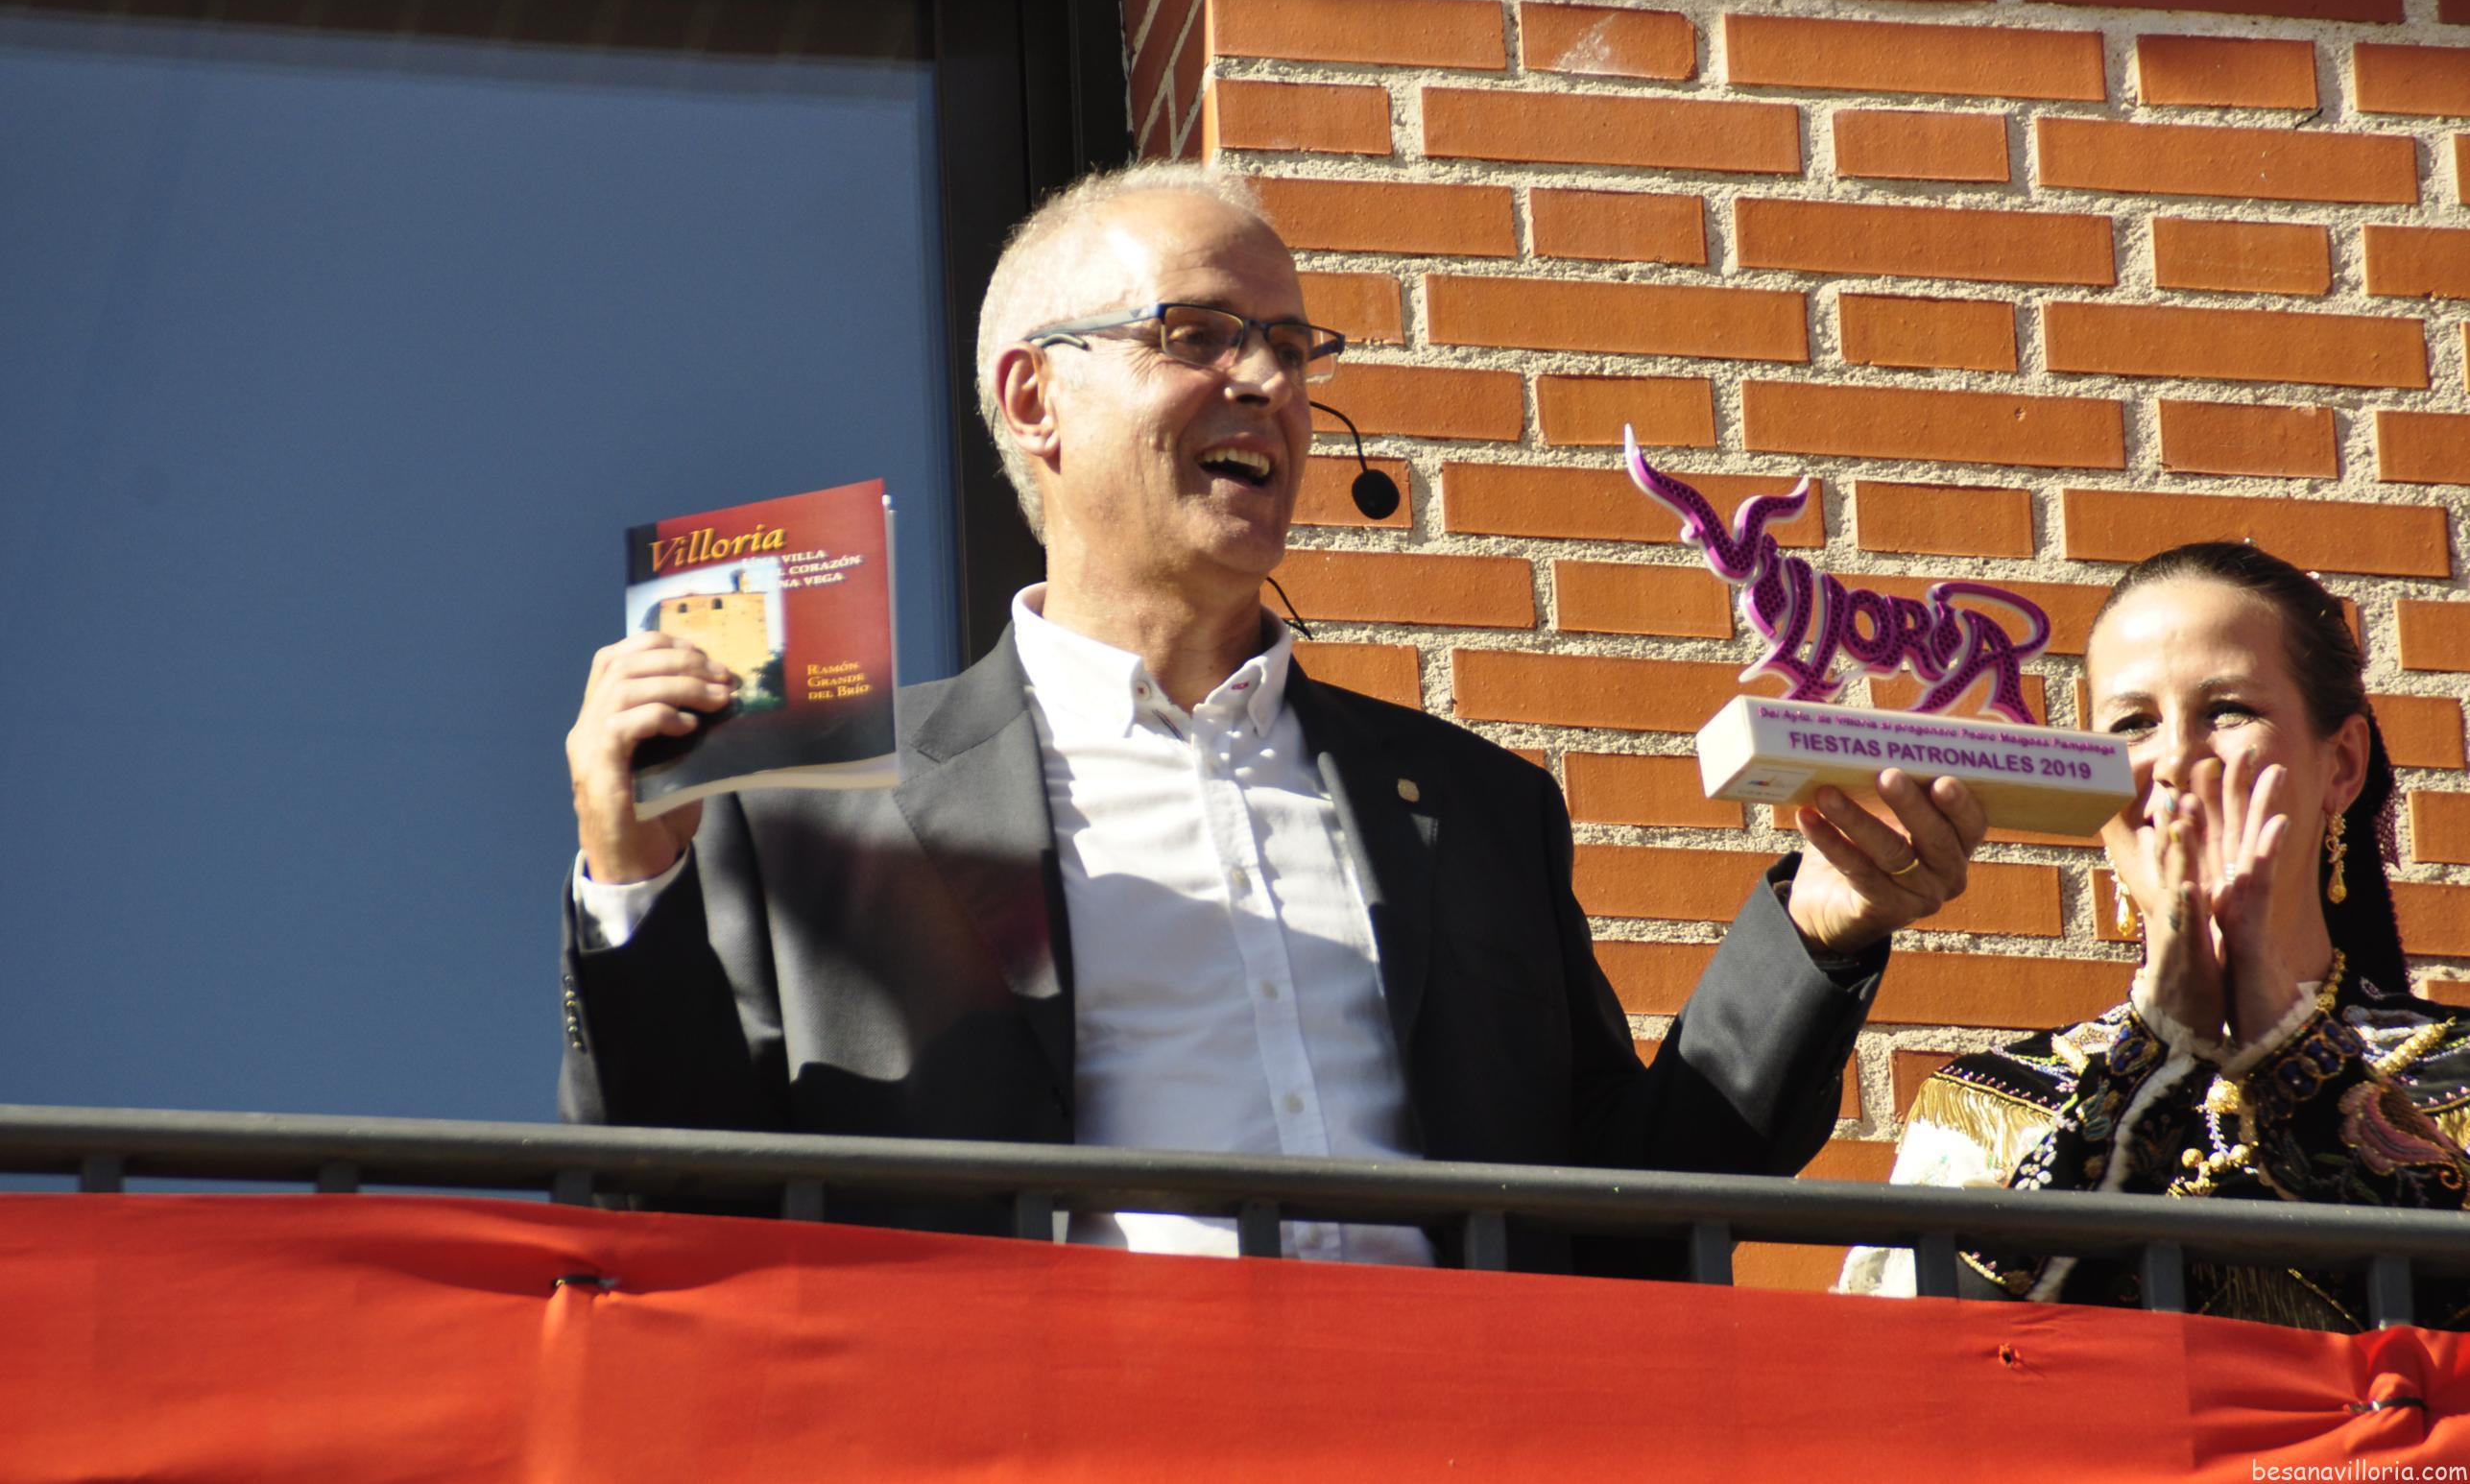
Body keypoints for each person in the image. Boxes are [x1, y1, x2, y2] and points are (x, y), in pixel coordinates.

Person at [560, 160, 1989, 1274]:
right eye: (1197, 334)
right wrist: (632, 878)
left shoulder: (1476, 808)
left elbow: (1628, 1207)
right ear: (1035, 395)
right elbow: (674, 1216)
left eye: (1291, 346)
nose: (1268, 382)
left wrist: (1818, 927)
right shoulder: (816, 804)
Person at [1841, 541, 2470, 1328]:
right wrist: (2153, 1050)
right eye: (2133, 723)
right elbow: (1917, 1367)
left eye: (2227, 710)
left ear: (2341, 764)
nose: (2174, 759)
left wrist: (2286, 1041)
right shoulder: (1980, 1101)